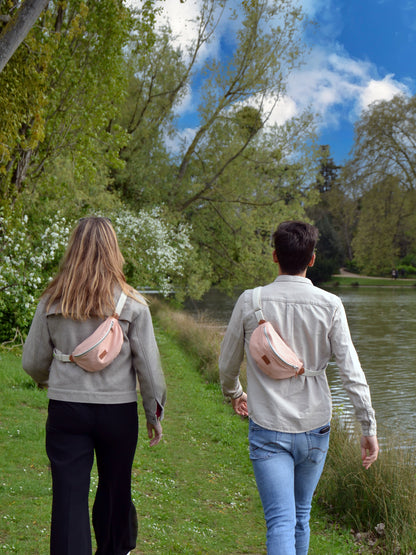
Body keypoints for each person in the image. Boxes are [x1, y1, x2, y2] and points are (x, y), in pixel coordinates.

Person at [219, 220, 378, 555]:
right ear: (313, 259)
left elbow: (227, 365)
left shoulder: (251, 301)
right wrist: (368, 427)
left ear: (274, 256)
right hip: (315, 426)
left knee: (279, 520)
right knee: (301, 516)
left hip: (268, 426)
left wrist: (234, 393)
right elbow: (352, 373)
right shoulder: (331, 304)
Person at [22, 216, 167, 555]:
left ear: (73, 250)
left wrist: (52, 381)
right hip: (117, 412)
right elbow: (149, 368)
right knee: (115, 491)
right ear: (114, 251)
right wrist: (153, 412)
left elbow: (31, 361)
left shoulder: (53, 301)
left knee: (69, 497)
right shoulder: (133, 304)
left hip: (66, 411)